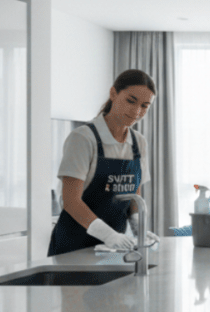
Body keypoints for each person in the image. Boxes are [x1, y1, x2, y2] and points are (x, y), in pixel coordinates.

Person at [48, 69, 161, 257]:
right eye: (130, 101)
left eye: (144, 106)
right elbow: (70, 200)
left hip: (112, 250)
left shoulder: (139, 142)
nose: (136, 111)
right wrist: (108, 234)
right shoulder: (83, 138)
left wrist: (137, 226)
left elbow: (134, 193)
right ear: (113, 93)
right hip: (73, 247)